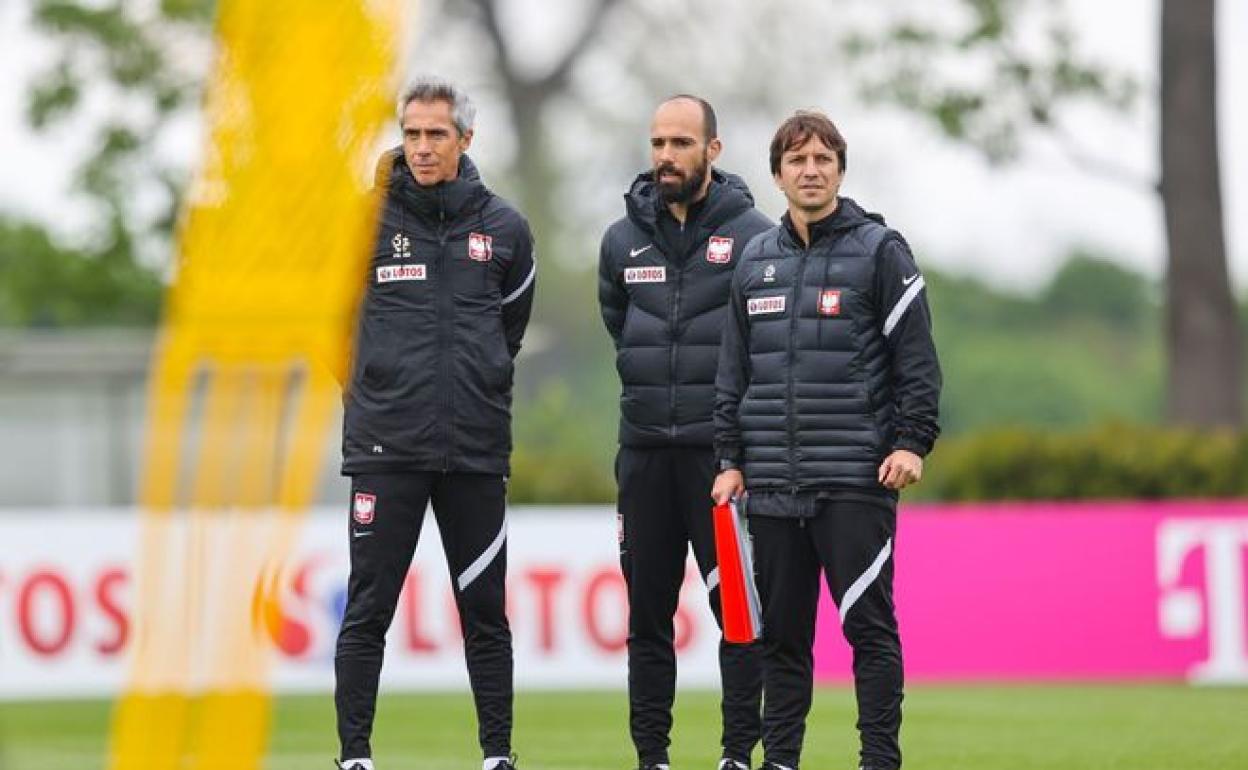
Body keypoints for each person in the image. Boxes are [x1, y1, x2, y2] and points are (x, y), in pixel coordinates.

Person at [711, 111, 941, 770]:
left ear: (840, 168)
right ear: (778, 173)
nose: (810, 170)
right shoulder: (755, 260)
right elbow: (733, 372)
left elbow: (918, 363)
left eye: (823, 159)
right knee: (781, 641)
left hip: (854, 484)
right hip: (774, 489)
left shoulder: (880, 251)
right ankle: (780, 760)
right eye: (797, 160)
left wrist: (911, 442)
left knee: (869, 632)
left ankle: (879, 761)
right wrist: (729, 460)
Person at [334, 77, 536, 770]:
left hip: (475, 450)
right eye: (412, 133)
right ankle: (355, 757)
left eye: (436, 134)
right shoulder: (361, 224)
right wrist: (374, 391)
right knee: (368, 611)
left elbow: (508, 330)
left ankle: (498, 756)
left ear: (465, 140)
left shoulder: (505, 228)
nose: (421, 147)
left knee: (485, 613)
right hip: (385, 448)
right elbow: (330, 332)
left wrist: (473, 386)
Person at [598, 95, 773, 770]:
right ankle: (652, 758)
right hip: (642, 456)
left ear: (713, 151)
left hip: (721, 459)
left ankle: (735, 755)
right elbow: (621, 326)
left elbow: (764, 343)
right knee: (647, 621)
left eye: (680, 143)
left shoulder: (756, 234)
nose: (666, 156)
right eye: (657, 143)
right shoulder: (620, 240)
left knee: (739, 615)